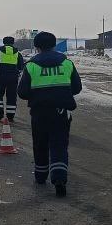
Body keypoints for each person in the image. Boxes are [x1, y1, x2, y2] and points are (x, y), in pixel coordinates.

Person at [17, 31, 82, 197]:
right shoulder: (67, 64)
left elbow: (22, 92)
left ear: (36, 47)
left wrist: (39, 94)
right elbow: (76, 88)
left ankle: (40, 176)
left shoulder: (31, 66)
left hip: (39, 113)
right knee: (59, 145)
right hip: (61, 112)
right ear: (54, 45)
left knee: (40, 144)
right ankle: (59, 179)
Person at [0, 36, 25, 123]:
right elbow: (21, 67)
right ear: (13, 43)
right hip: (13, 79)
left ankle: (0, 116)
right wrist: (18, 74)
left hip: (1, 78)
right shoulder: (18, 54)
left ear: (3, 42)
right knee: (12, 97)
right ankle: (10, 117)